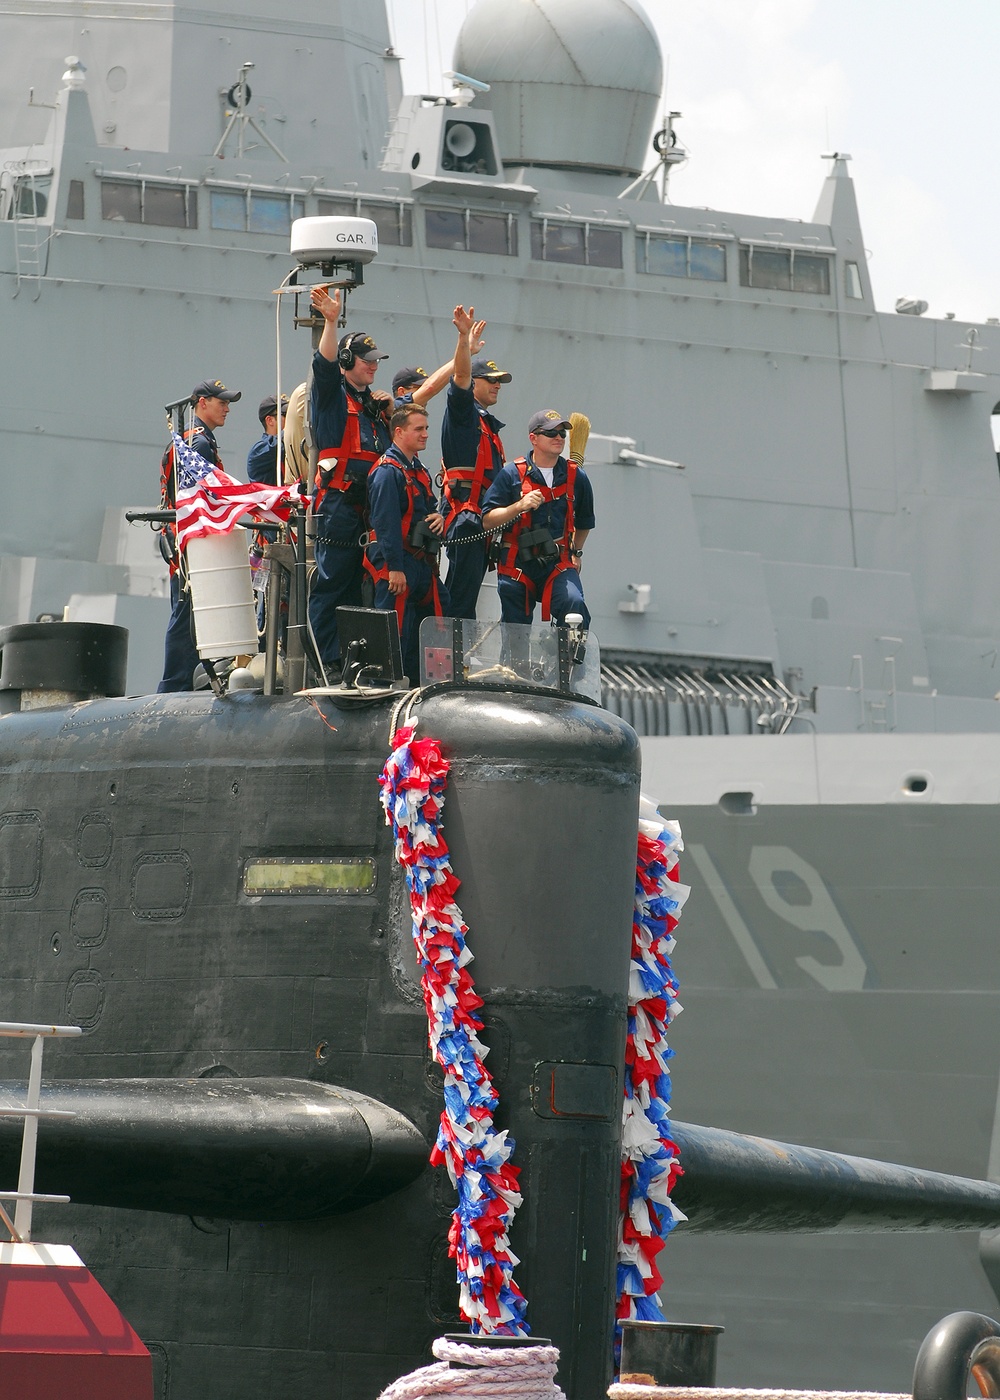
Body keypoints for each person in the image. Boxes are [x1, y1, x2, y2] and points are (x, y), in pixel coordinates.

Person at [307, 284, 392, 671]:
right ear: (347, 359)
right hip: (339, 506)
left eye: (376, 361)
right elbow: (323, 368)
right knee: (333, 584)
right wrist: (330, 320)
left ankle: (362, 660)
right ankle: (328, 659)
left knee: (364, 585)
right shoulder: (331, 396)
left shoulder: (373, 406)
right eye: (366, 360)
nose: (374, 366)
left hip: (370, 509)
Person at [157, 378, 241, 692]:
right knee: (187, 612)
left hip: (184, 539)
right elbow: (200, 496)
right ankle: (175, 684)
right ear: (202, 403)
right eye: (222, 402)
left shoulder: (191, 439)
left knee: (189, 610)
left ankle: (181, 681)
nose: (227, 409)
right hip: (192, 541)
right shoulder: (199, 443)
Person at [481, 409, 594, 628]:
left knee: (574, 604)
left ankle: (567, 660)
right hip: (518, 563)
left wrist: (576, 553)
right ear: (533, 437)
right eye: (552, 433)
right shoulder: (511, 474)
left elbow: (585, 522)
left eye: (562, 433)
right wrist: (519, 506)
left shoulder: (576, 477)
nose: (559, 438)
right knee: (516, 629)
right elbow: (487, 520)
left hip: (558, 562)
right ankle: (514, 664)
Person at [365, 403, 450, 683]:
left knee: (438, 610)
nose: (426, 434)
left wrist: (438, 518)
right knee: (394, 627)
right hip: (396, 560)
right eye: (419, 429)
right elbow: (385, 523)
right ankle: (384, 683)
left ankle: (422, 680)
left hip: (419, 561)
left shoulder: (419, 470)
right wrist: (394, 568)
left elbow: (423, 510)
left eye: (426, 428)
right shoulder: (387, 473)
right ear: (399, 432)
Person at [440, 322, 509, 620]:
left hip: (480, 519)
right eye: (490, 380)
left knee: (466, 598)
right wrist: (463, 344)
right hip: (465, 519)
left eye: (499, 381)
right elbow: (459, 380)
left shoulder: (486, 424)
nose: (497, 385)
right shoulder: (463, 414)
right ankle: (446, 660)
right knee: (458, 598)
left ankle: (455, 661)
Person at [246, 393, 288, 486]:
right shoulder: (259, 450)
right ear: (269, 420)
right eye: (286, 414)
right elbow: (277, 446)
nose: (291, 419)